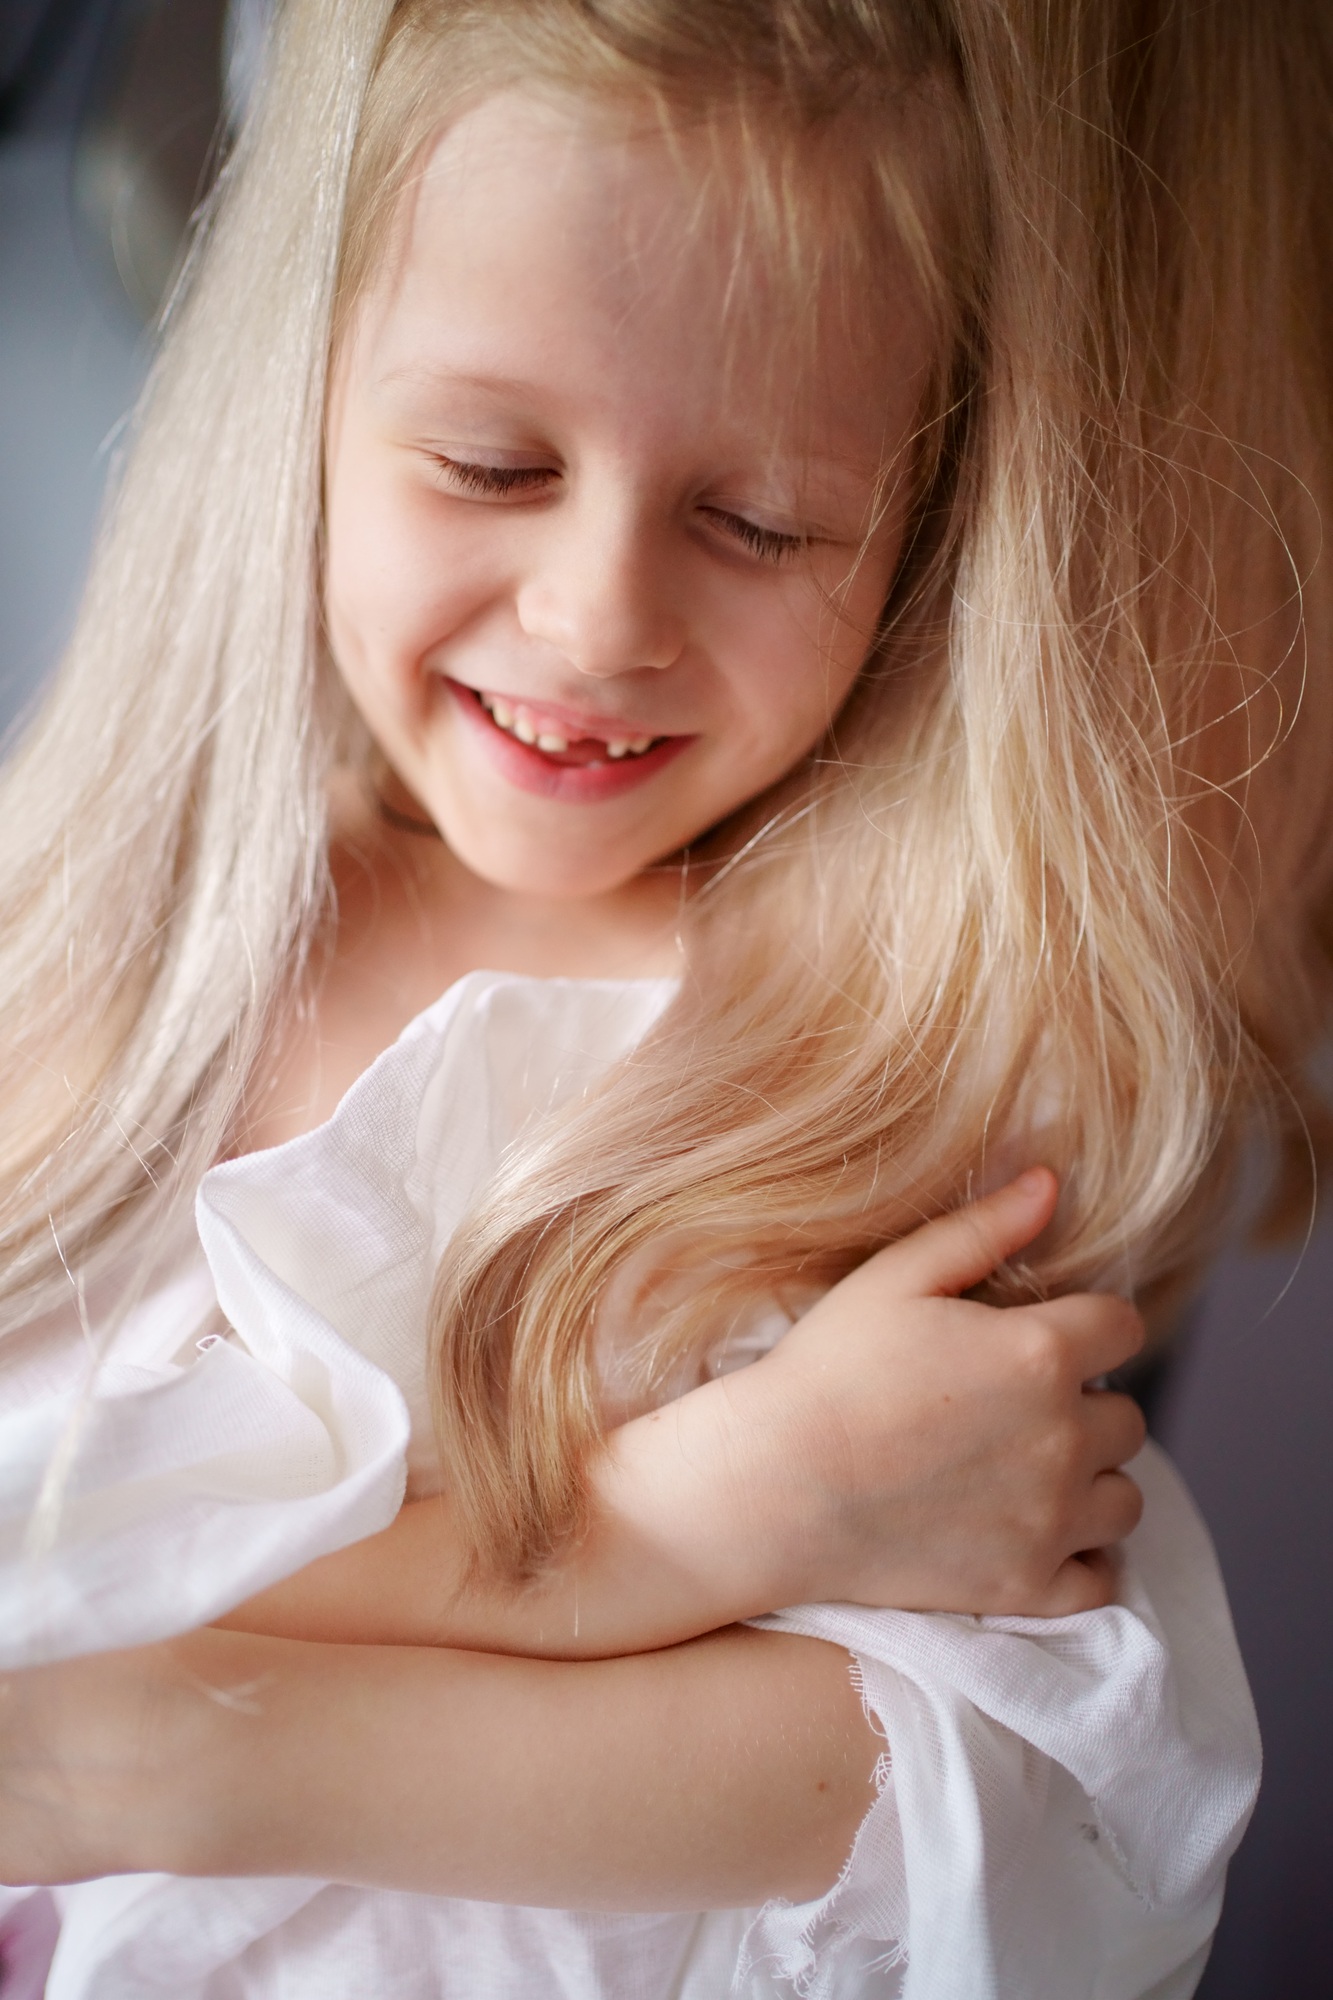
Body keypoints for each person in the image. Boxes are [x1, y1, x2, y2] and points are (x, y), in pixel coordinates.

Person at [0, 0, 1327, 1992]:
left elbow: (1016, 1795)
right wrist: (662, 1543)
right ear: (298, 395)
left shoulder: (850, 1076)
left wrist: (150, 1750)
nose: (602, 616)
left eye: (757, 522)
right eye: (491, 459)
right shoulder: (96, 962)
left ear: (915, 538)